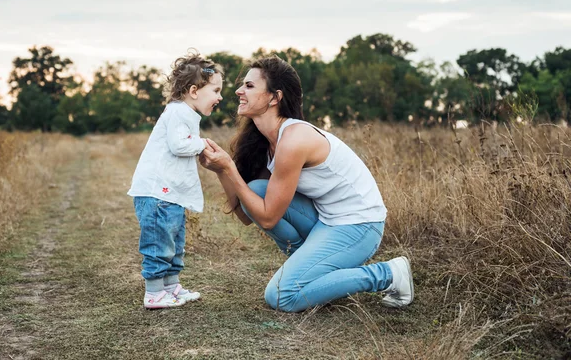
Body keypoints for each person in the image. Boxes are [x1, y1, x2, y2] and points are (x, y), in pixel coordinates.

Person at [199, 56, 413, 313]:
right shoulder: (266, 143)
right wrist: (222, 171)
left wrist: (229, 169)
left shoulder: (294, 139)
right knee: (256, 189)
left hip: (360, 226)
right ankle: (315, 273)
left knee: (280, 296)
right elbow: (248, 215)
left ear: (274, 98)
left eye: (250, 86)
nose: (238, 91)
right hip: (326, 220)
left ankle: (387, 273)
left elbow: (267, 219)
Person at [127, 50, 223, 309]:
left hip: (169, 195)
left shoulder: (186, 113)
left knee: (173, 241)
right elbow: (179, 145)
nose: (220, 97)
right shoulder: (178, 112)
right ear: (194, 91)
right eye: (215, 90)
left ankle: (171, 287)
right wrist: (202, 143)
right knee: (160, 242)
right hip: (158, 193)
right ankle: (155, 293)